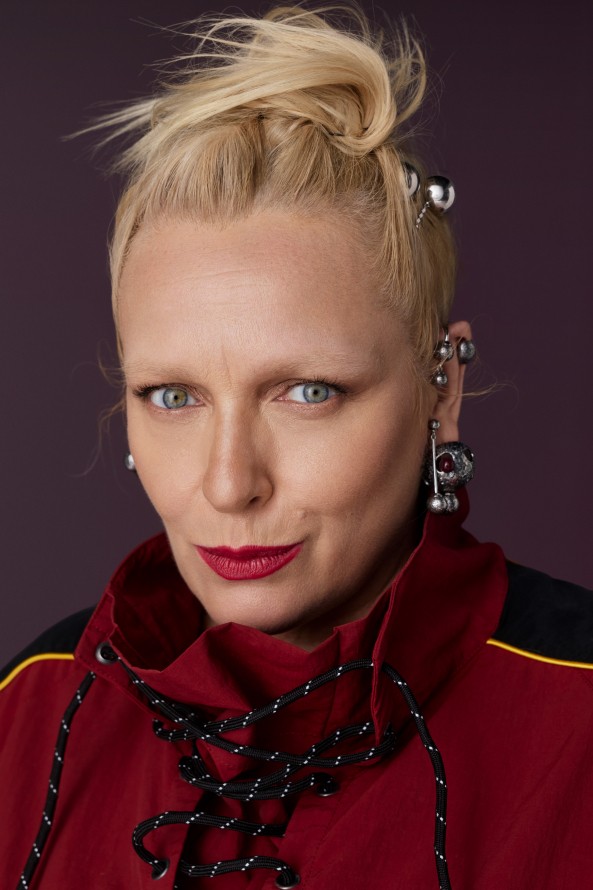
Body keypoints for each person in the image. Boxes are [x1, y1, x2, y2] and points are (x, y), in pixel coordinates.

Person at [1, 6, 592, 889]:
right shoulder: (27, 710)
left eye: (307, 392)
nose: (229, 484)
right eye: (173, 397)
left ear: (442, 389)